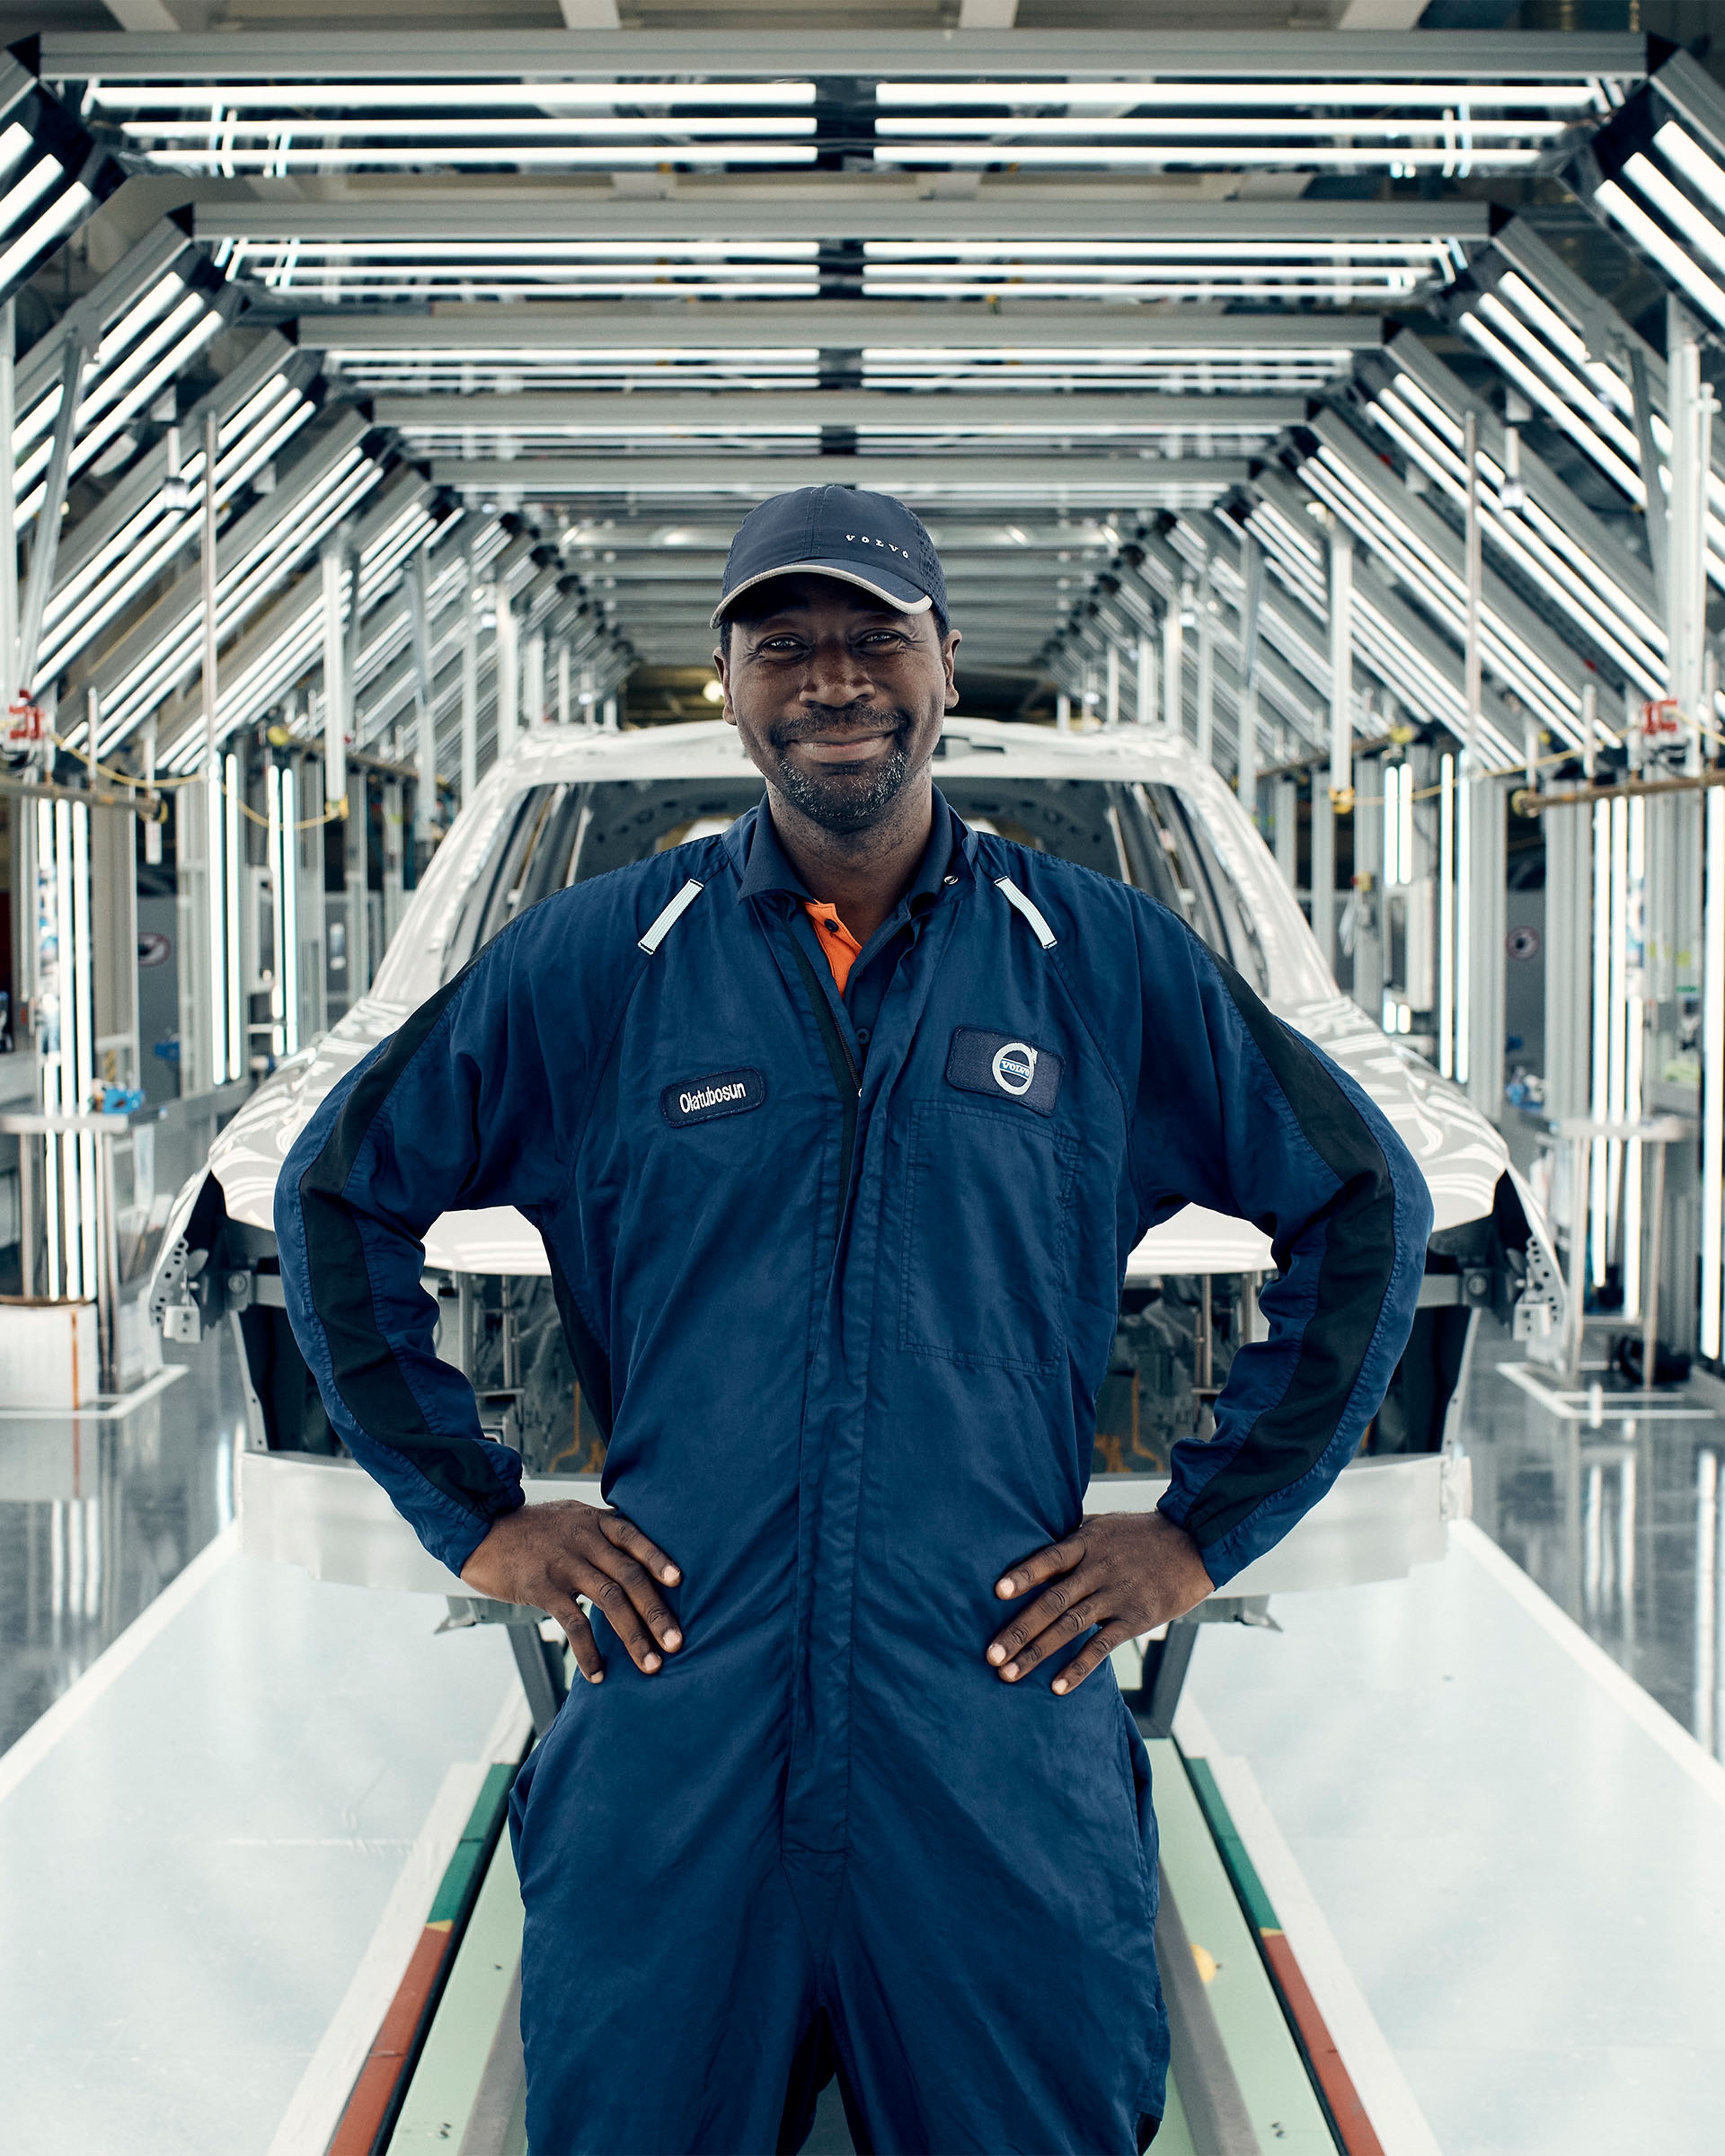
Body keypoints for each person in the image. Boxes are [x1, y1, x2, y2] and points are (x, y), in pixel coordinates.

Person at [277, 485, 1429, 2156]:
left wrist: (1197, 1536)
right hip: (682, 1722)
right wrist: (482, 1516)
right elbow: (337, 1191)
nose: (834, 679)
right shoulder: (601, 964)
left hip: (988, 1728)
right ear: (729, 684)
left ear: (944, 662)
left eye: (875, 637)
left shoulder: (1097, 959)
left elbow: (1363, 1200)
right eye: (785, 643)